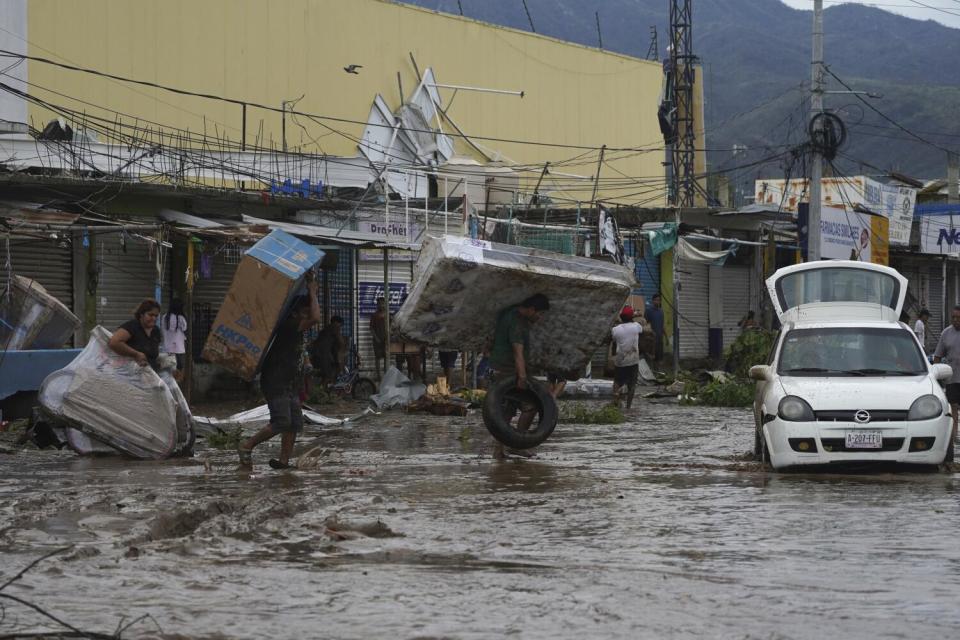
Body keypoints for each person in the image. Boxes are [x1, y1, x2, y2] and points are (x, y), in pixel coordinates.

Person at [238, 278, 321, 470]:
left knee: (294, 424)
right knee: (281, 421)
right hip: (276, 382)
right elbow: (316, 318)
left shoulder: (297, 331)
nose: (307, 317)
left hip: (290, 384)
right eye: (304, 313)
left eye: (307, 313)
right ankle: (246, 445)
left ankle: (284, 462)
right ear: (294, 314)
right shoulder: (290, 326)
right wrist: (313, 292)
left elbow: (301, 352)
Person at [489, 293, 550, 458]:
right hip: (510, 370)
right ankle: (518, 443)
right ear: (531, 309)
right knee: (531, 405)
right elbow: (518, 352)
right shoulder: (517, 324)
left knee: (506, 411)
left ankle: (499, 450)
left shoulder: (509, 312)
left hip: (500, 366)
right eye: (540, 313)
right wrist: (522, 376)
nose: (540, 318)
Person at [934, 305, 960, 451]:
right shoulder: (946, 333)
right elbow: (937, 356)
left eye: (959, 318)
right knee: (953, 408)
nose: (956, 320)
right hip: (952, 378)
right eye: (954, 317)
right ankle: (955, 437)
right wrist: (936, 375)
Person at [109, 299, 163, 369]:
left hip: (150, 375)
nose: (154, 318)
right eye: (150, 315)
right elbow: (114, 342)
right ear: (141, 314)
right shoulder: (132, 326)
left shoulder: (156, 331)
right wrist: (135, 354)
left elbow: (154, 353)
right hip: (129, 374)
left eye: (156, 316)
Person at [610, 305, 642, 409]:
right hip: (633, 360)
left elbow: (613, 339)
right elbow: (642, 327)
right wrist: (637, 314)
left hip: (620, 360)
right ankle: (628, 406)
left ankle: (615, 401)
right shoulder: (636, 326)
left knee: (617, 381)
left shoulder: (615, 329)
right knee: (631, 384)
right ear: (631, 317)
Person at [310, 316, 344, 386]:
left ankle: (321, 391)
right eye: (340, 324)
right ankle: (320, 392)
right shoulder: (335, 327)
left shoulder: (326, 329)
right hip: (323, 355)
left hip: (316, 354)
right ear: (336, 322)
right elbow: (340, 342)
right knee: (328, 375)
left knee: (325, 375)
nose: (340, 327)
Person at [161, 299, 188, 371]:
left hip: (167, 346)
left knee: (168, 367)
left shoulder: (165, 317)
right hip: (179, 347)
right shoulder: (180, 318)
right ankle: (178, 380)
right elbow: (185, 328)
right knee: (179, 367)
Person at [645, 293, 666, 363]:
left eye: (659, 300)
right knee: (651, 356)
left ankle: (658, 369)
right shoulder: (648, 311)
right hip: (652, 338)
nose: (657, 302)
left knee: (659, 356)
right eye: (656, 300)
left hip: (660, 337)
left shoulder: (661, 311)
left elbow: (662, 325)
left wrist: (665, 337)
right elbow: (645, 324)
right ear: (652, 301)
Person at [370, 298, 387, 379]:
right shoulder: (374, 315)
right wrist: (376, 338)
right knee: (377, 357)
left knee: (386, 357)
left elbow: (391, 327)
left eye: (382, 303)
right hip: (377, 340)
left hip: (386, 340)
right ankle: (379, 376)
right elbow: (371, 328)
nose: (381, 305)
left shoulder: (387, 315)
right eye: (379, 303)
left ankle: (386, 375)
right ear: (377, 305)